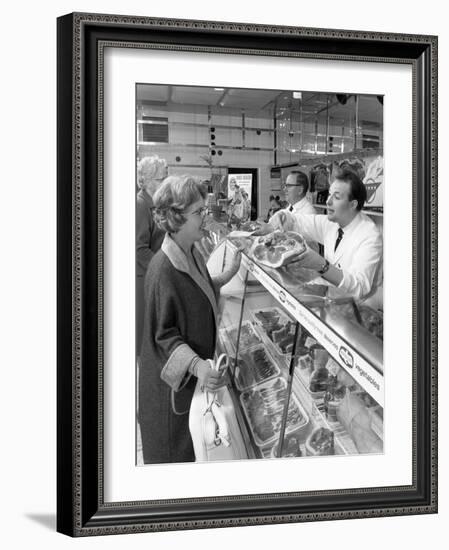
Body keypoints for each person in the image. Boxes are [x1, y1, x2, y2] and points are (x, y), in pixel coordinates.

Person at [138, 175, 242, 464]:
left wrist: (230, 272)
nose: (204, 218)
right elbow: (164, 337)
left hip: (189, 383)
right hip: (170, 391)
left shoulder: (190, 252)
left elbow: (201, 287)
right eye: (198, 212)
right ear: (175, 217)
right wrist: (198, 366)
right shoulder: (163, 270)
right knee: (174, 454)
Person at [258, 169, 382, 306]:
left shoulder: (369, 235)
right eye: (329, 195)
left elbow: (360, 287)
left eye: (336, 197)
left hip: (358, 309)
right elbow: (299, 221)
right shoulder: (331, 223)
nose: (328, 201)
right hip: (331, 300)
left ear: (353, 205)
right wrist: (283, 217)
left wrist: (322, 265)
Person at [136, 155, 168, 352]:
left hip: (153, 275)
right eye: (160, 179)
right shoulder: (140, 205)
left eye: (166, 177)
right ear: (146, 181)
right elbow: (139, 250)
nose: (165, 183)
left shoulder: (154, 203)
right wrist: (163, 267)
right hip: (144, 278)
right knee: (144, 335)